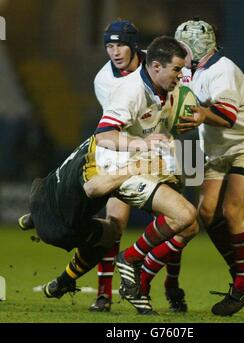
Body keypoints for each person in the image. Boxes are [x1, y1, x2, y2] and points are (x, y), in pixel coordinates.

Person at [175, 18, 244, 316]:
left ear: (193, 45)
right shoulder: (188, 71)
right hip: (218, 151)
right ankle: (243, 274)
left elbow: (227, 116)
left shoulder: (223, 69)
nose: (178, 51)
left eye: (182, 45)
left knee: (232, 211)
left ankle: (243, 284)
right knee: (207, 213)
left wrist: (199, 115)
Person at [94, 35, 199, 314]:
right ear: (155, 66)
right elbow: (104, 135)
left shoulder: (169, 82)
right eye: (177, 69)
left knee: (189, 225)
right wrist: (142, 144)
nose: (182, 74)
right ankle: (124, 269)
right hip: (122, 164)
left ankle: (151, 284)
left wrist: (196, 117)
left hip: (156, 157)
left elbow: (178, 115)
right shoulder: (127, 89)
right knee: (181, 215)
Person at [17, 135, 148, 299]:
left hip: (39, 194)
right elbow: (93, 188)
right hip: (56, 228)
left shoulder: (98, 137)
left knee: (68, 188)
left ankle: (32, 218)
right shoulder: (108, 164)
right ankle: (65, 281)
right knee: (112, 232)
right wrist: (135, 169)